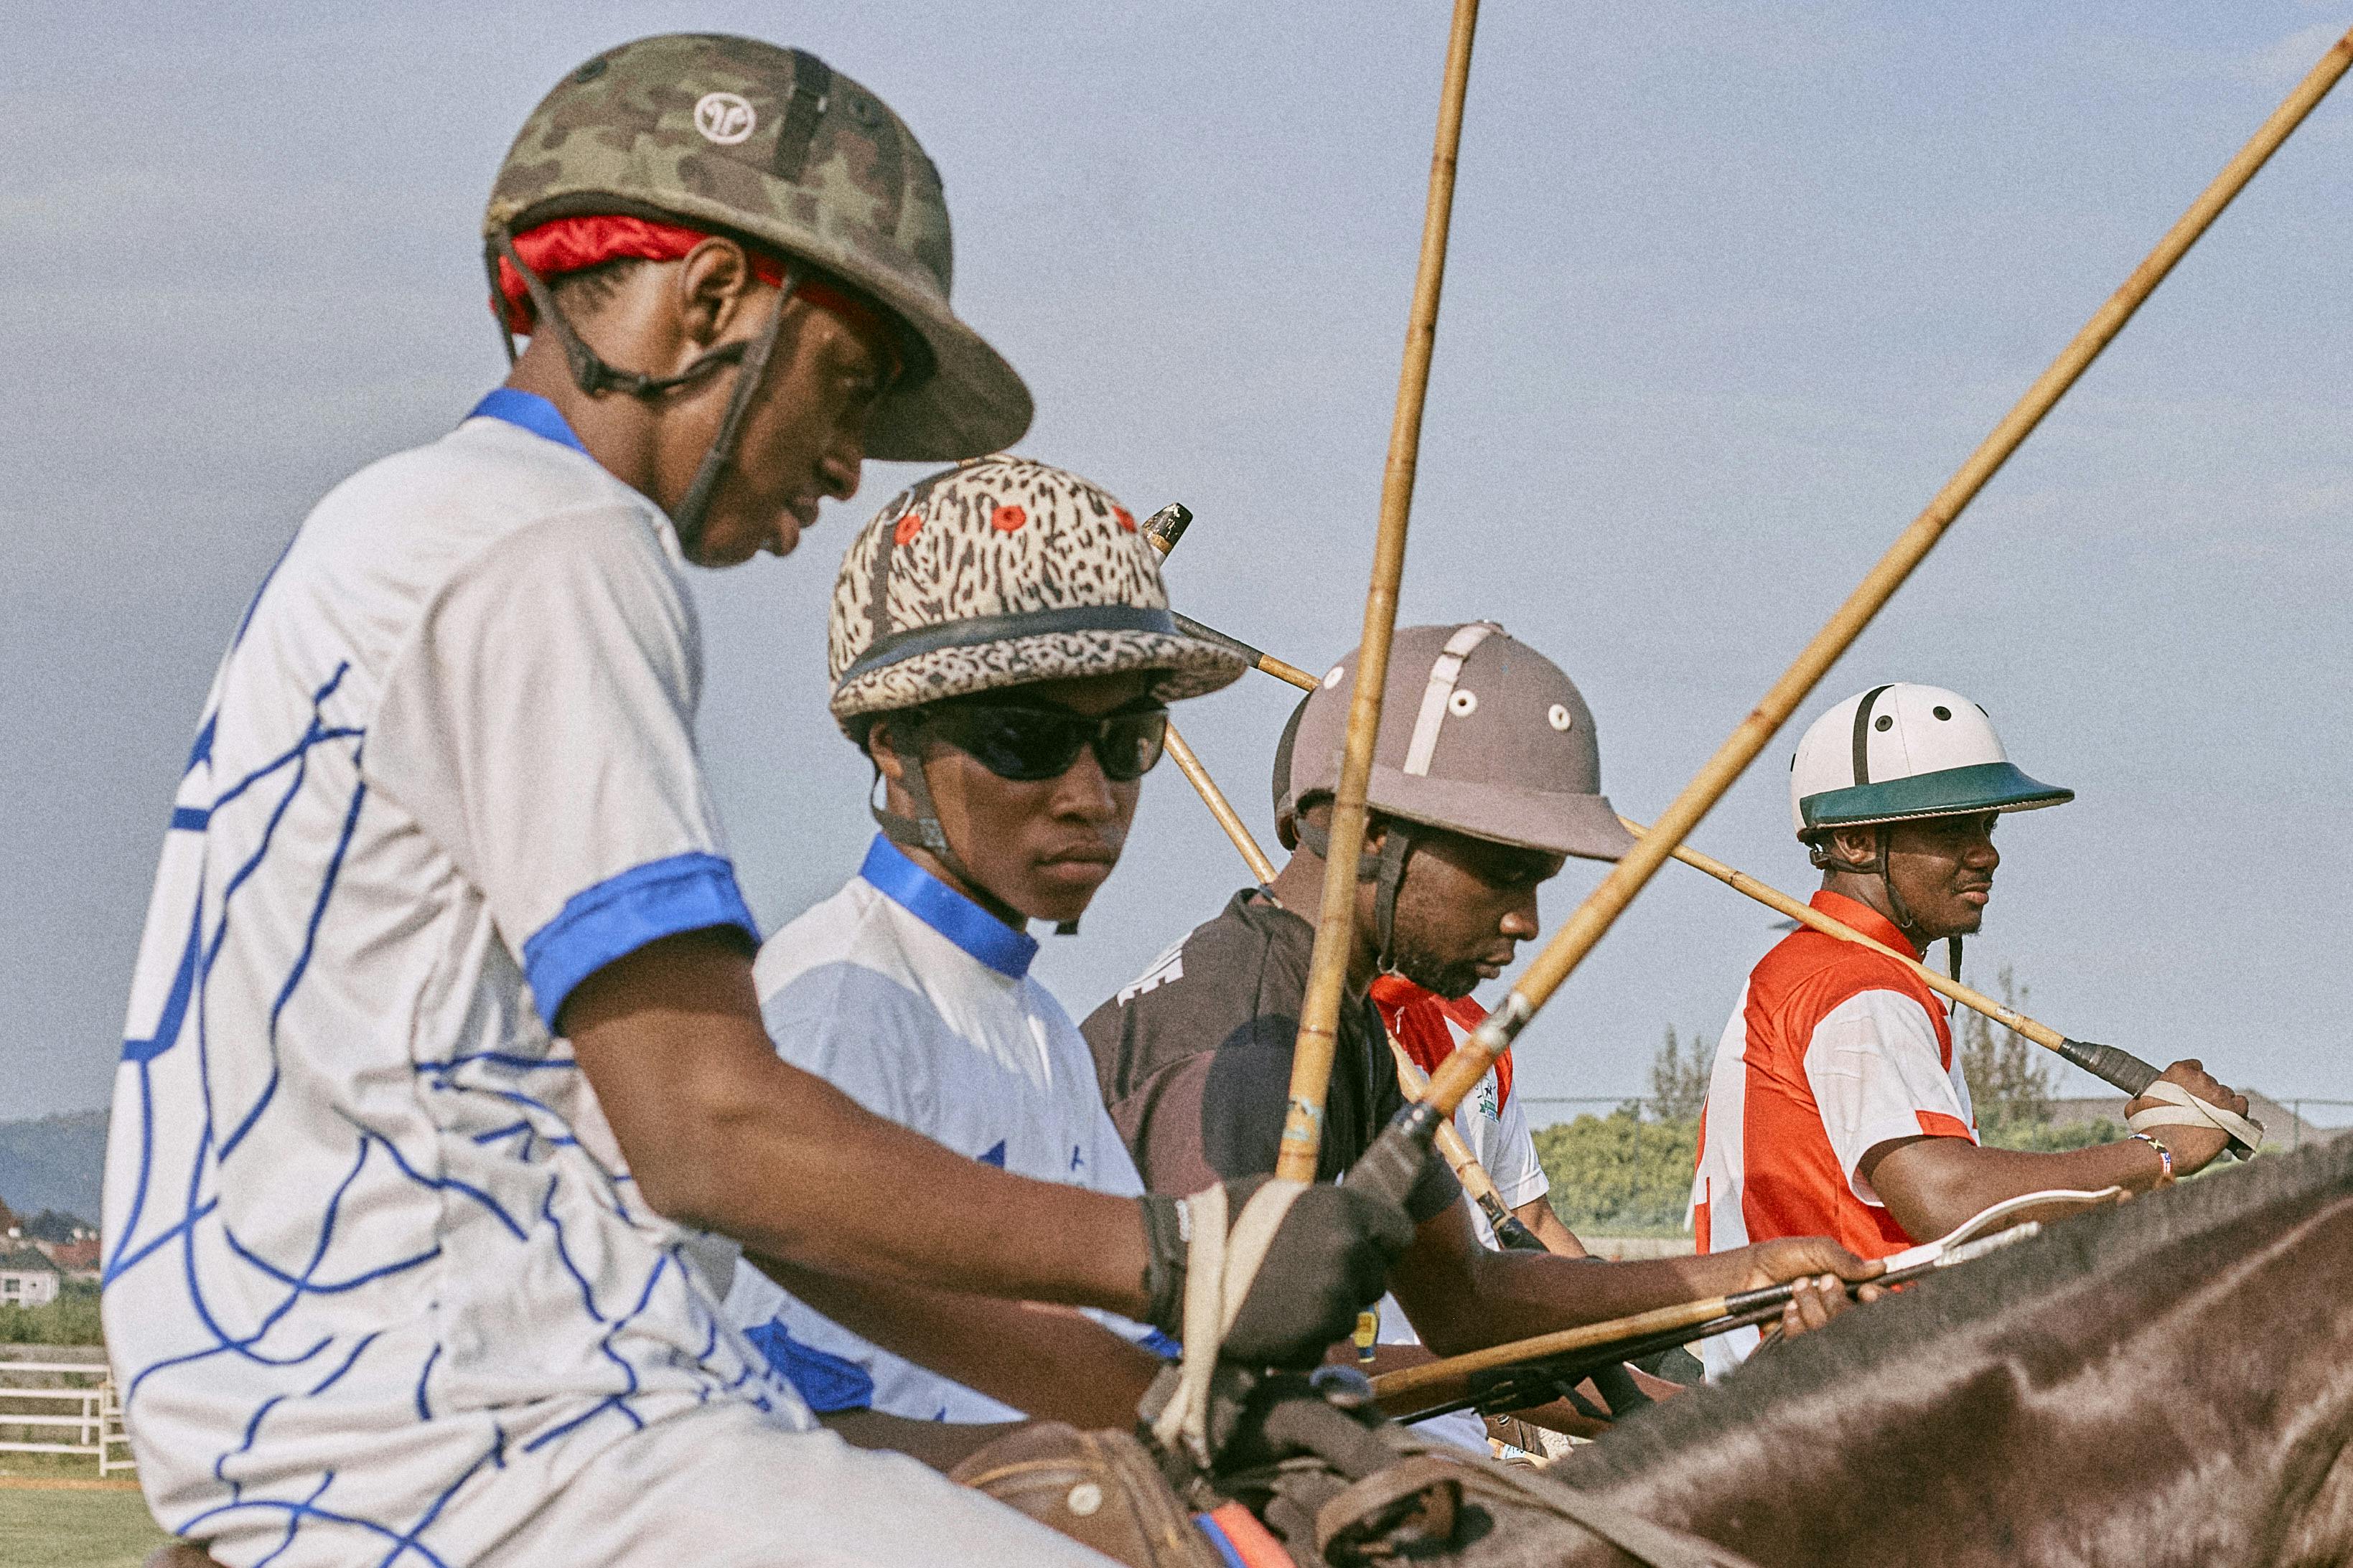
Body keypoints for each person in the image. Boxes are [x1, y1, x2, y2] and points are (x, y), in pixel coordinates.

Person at [100, 37, 1404, 1567]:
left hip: (392, 1409)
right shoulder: (554, 544)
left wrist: (1159, 1401)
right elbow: (712, 1132)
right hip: (479, 1436)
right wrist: (1185, 1251)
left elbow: (742, 1199)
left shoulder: (411, 523)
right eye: (845, 386)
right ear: (711, 302)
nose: (849, 466)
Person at [1082, 623, 1882, 1397]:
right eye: (1502, 872)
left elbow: (1463, 1297)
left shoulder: (1334, 1017)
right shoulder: (1252, 1043)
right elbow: (1232, 1394)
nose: (1526, 921)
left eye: (1539, 882)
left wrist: (1751, 1274)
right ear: (1369, 834)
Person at [722, 456, 1239, 1470]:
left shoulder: (1041, 1024)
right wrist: (1114, 1476)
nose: (1092, 794)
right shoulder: (842, 1002)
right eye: (1026, 739)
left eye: (1128, 740)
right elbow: (779, 1434)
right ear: (893, 748)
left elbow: (1119, 1361)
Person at [1689, 682, 2250, 1378]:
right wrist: (2158, 1153)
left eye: (1985, 827)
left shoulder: (1819, 966)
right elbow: (1945, 1198)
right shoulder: (1855, 985)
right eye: (1950, 829)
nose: (1984, 854)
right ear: (1854, 839)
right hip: (1830, 1400)